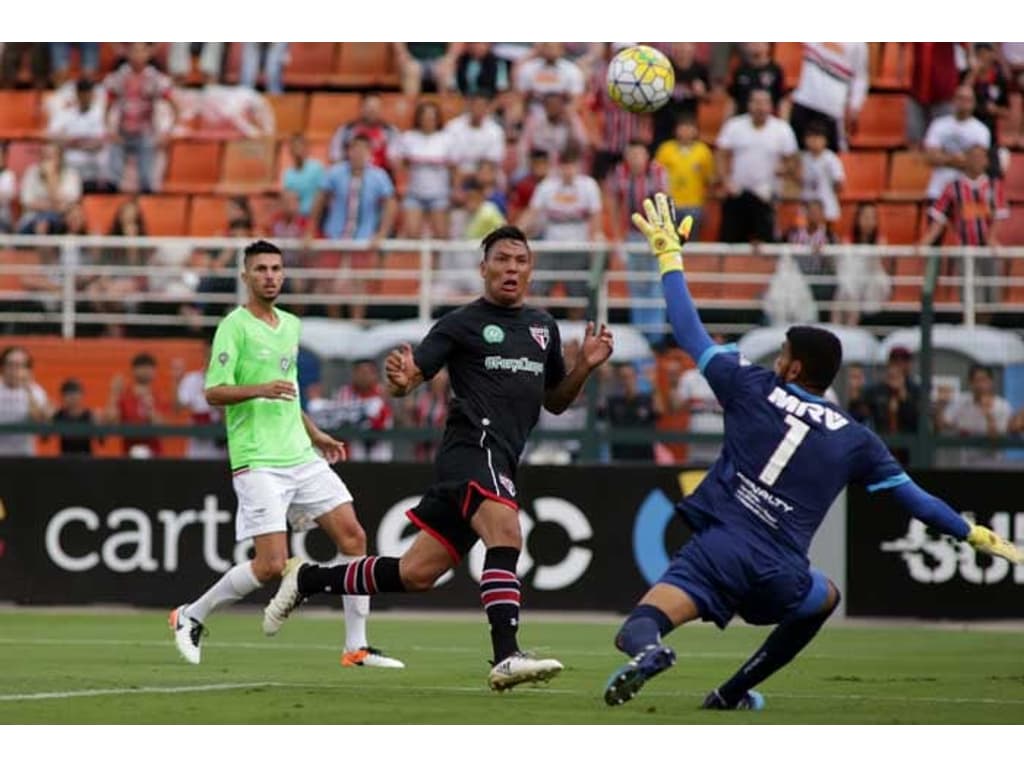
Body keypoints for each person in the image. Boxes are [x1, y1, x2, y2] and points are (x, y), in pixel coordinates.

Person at [601, 193, 1022, 712]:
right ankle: (731, 693)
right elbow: (917, 502)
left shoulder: (749, 386)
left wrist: (669, 258)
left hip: (721, 550)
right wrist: (973, 533)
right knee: (824, 596)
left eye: (782, 353)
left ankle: (650, 652)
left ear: (794, 368)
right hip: (781, 572)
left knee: (639, 625)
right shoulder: (855, 437)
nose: (776, 359)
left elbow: (688, 331)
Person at [262, 226, 614, 691]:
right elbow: (409, 379)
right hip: (472, 448)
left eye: (521, 261)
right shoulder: (460, 323)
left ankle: (309, 579)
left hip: (501, 458)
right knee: (507, 533)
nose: (512, 268)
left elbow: (556, 401)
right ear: (483, 268)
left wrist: (584, 367)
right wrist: (401, 377)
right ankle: (506, 655)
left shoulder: (544, 329)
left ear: (531, 270)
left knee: (415, 573)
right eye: (502, 259)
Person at [169, 240, 403, 670]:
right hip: (258, 459)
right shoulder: (234, 326)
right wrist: (259, 388)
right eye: (261, 269)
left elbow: (289, 394)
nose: (270, 276)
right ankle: (191, 614)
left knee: (353, 536)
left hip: (299, 453)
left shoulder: (291, 325)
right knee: (271, 565)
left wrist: (316, 434)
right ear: (246, 276)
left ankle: (356, 646)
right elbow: (213, 392)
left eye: (276, 268)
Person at [0, 346, 51, 457]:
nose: (14, 370)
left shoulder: (36, 391)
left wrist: (28, 390)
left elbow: (41, 426)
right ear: (3, 367)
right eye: (10, 364)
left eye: (20, 366)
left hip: (23, 456)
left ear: (27, 369)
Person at [51, 378, 97, 456]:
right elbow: (44, 437)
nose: (72, 397)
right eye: (68, 394)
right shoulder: (59, 415)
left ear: (81, 395)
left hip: (86, 460)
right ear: (63, 397)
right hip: (65, 461)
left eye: (75, 393)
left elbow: (101, 440)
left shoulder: (89, 415)